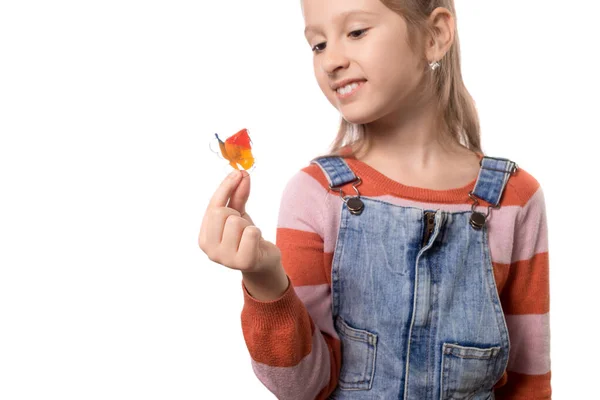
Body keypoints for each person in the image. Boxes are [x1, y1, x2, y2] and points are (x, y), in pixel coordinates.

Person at [199, 0, 551, 398]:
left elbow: (529, 382)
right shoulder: (316, 195)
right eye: (318, 44)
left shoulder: (514, 199)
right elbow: (300, 388)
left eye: (356, 32)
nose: (332, 60)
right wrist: (264, 279)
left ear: (434, 36)